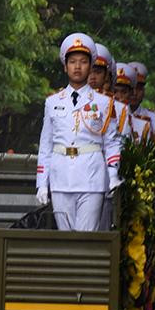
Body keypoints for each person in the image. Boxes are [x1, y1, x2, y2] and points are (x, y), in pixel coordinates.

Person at [36, 33, 123, 231]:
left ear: (91, 66)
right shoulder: (52, 102)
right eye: (72, 61)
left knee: (86, 238)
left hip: (91, 177)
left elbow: (111, 142)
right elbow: (46, 145)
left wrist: (113, 173)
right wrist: (42, 183)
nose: (77, 67)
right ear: (65, 66)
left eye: (83, 62)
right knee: (65, 239)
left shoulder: (104, 103)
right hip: (60, 178)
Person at [127, 62, 155, 144]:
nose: (134, 93)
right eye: (131, 88)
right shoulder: (112, 114)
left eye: (139, 88)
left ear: (144, 91)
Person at [111, 63, 151, 144]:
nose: (118, 96)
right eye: (114, 92)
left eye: (124, 92)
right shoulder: (98, 117)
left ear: (131, 94)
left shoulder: (143, 125)